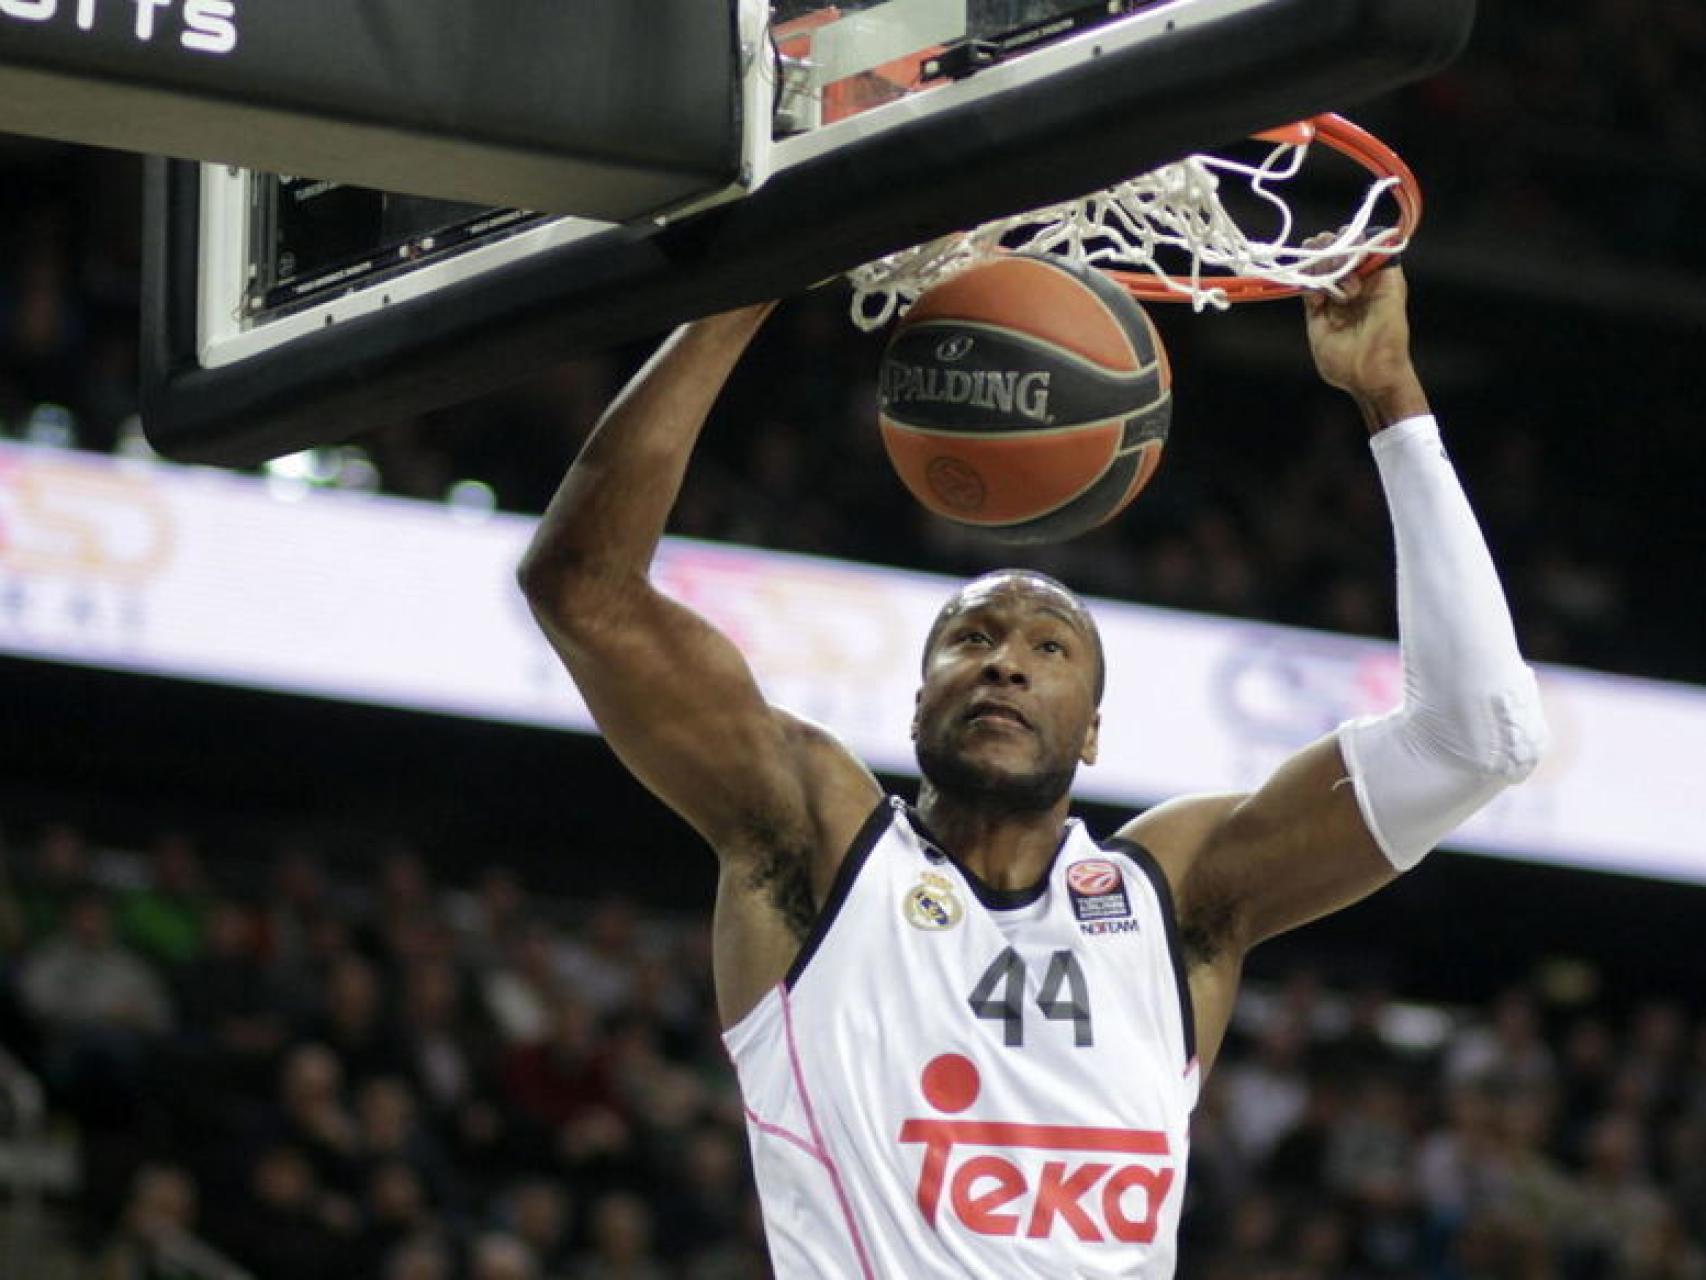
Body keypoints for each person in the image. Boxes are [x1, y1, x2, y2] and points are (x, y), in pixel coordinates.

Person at [516, 264, 1548, 1276]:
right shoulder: (816, 841)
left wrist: (1389, 398)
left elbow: (1479, 737)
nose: (1006, 660)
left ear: (1091, 730)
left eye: (1049, 648)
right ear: (917, 698)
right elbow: (583, 590)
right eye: (971, 638)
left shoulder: (1176, 894)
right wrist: (746, 280)